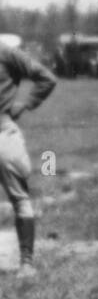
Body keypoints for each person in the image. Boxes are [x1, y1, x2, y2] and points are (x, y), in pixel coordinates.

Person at [0, 38, 57, 278]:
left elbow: (46, 78)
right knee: (20, 199)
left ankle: (26, 263)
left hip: (2, 131)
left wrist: (25, 104)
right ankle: (27, 264)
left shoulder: (6, 52)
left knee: (20, 198)